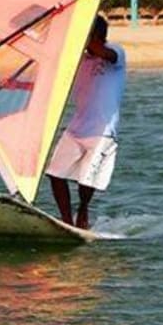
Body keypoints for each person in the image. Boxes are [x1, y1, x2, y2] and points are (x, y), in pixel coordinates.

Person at [45, 14, 126, 229]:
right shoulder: (78, 60)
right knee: (54, 174)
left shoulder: (116, 52)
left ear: (97, 36)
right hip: (77, 128)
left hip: (103, 131)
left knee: (86, 181)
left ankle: (82, 210)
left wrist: (78, 34)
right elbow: (50, 81)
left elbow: (104, 53)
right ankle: (66, 221)